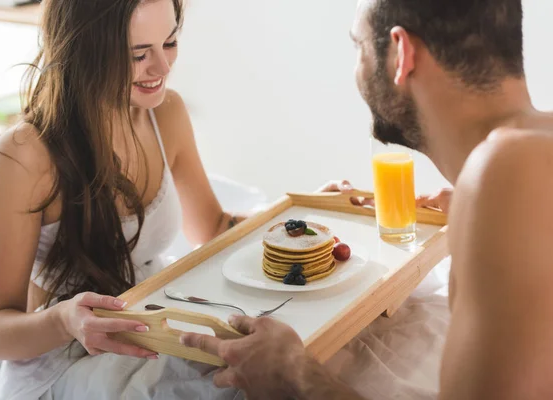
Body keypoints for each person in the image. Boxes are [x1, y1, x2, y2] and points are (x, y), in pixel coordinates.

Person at [181, 1, 553, 399]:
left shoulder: (506, 171)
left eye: (358, 46)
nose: (356, 70)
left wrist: (295, 376)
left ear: (400, 53)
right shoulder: (530, 155)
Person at [0, 0, 255, 398]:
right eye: (139, 55)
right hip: (67, 357)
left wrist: (297, 225)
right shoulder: (23, 156)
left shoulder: (166, 114)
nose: (162, 68)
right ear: (84, 51)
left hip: (154, 327)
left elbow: (212, 228)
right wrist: (65, 320)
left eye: (170, 42)